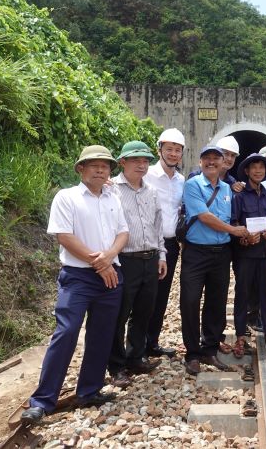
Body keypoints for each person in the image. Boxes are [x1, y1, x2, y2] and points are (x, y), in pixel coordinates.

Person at [21, 146, 128, 425]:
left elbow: (123, 233)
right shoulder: (66, 197)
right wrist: (100, 263)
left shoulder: (112, 198)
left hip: (110, 275)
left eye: (105, 166)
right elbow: (64, 236)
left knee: (101, 333)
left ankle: (89, 391)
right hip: (79, 276)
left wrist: (108, 260)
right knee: (66, 331)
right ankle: (42, 401)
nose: (101, 170)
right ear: (80, 168)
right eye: (94, 165)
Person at [180, 145, 250, 375]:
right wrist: (234, 230)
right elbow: (204, 217)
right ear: (200, 163)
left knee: (216, 302)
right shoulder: (192, 185)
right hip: (196, 252)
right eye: (207, 159)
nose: (211, 162)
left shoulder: (228, 188)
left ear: (222, 164)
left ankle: (209, 349)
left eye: (216, 159)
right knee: (190, 301)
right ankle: (192, 353)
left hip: (221, 252)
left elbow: (235, 215)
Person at [107, 141, 167, 387]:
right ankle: (116, 366)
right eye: (135, 160)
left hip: (149, 257)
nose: (141, 165)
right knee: (120, 314)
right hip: (125, 260)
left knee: (144, 311)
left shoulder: (151, 191)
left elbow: (158, 226)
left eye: (145, 161)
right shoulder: (111, 190)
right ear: (123, 162)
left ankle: (136, 357)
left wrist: (161, 255)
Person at [230, 153, 266, 356]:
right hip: (245, 253)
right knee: (242, 294)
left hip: (265, 253)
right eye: (253, 168)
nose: (258, 171)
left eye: (261, 168)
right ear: (246, 171)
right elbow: (233, 222)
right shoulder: (239, 196)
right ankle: (240, 337)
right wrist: (244, 236)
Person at [144, 128, 185, 358]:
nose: (173, 154)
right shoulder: (146, 174)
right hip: (147, 245)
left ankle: (152, 343)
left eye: (177, 150)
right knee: (144, 297)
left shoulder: (181, 181)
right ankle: (136, 347)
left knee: (161, 296)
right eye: (169, 149)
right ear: (159, 149)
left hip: (170, 246)